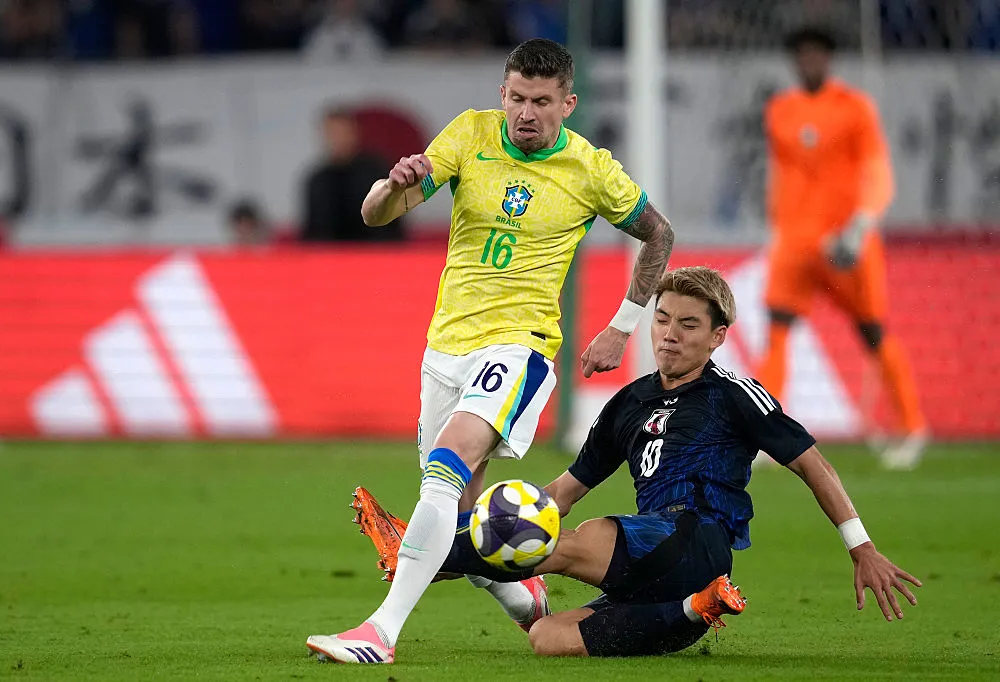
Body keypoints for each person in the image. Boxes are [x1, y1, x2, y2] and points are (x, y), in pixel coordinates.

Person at [305, 38, 676, 664]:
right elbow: (376, 215)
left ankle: (380, 634)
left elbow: (658, 233)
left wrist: (623, 325)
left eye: (540, 102)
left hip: (519, 347)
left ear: (567, 104)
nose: (525, 113)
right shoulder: (470, 135)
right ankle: (523, 592)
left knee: (442, 475)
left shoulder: (590, 169)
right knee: (460, 518)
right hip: (444, 348)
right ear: (501, 95)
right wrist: (392, 186)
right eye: (516, 99)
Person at [353, 266, 922, 658]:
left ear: (718, 336)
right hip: (658, 591)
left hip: (695, 537)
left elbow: (812, 465)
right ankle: (697, 610)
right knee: (547, 636)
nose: (669, 336)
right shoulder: (629, 402)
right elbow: (565, 490)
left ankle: (414, 545)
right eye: (662, 319)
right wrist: (510, 510)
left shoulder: (735, 395)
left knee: (569, 542)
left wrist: (862, 547)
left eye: (688, 324)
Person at [758, 26, 927, 470]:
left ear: (829, 59)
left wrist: (862, 223)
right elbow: (783, 175)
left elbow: (877, 170)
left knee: (872, 330)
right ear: (795, 60)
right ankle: (765, 434)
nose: (810, 61)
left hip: (845, 242)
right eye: (803, 54)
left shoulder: (855, 108)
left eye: (817, 53)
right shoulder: (780, 111)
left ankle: (912, 428)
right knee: (776, 329)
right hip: (795, 241)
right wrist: (776, 223)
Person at [299, 107, 403, 242]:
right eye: (332, 133)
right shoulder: (317, 180)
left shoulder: (377, 171)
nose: (337, 139)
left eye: (342, 132)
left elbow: (389, 227)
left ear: (354, 133)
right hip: (329, 259)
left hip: (375, 255)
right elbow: (314, 233)